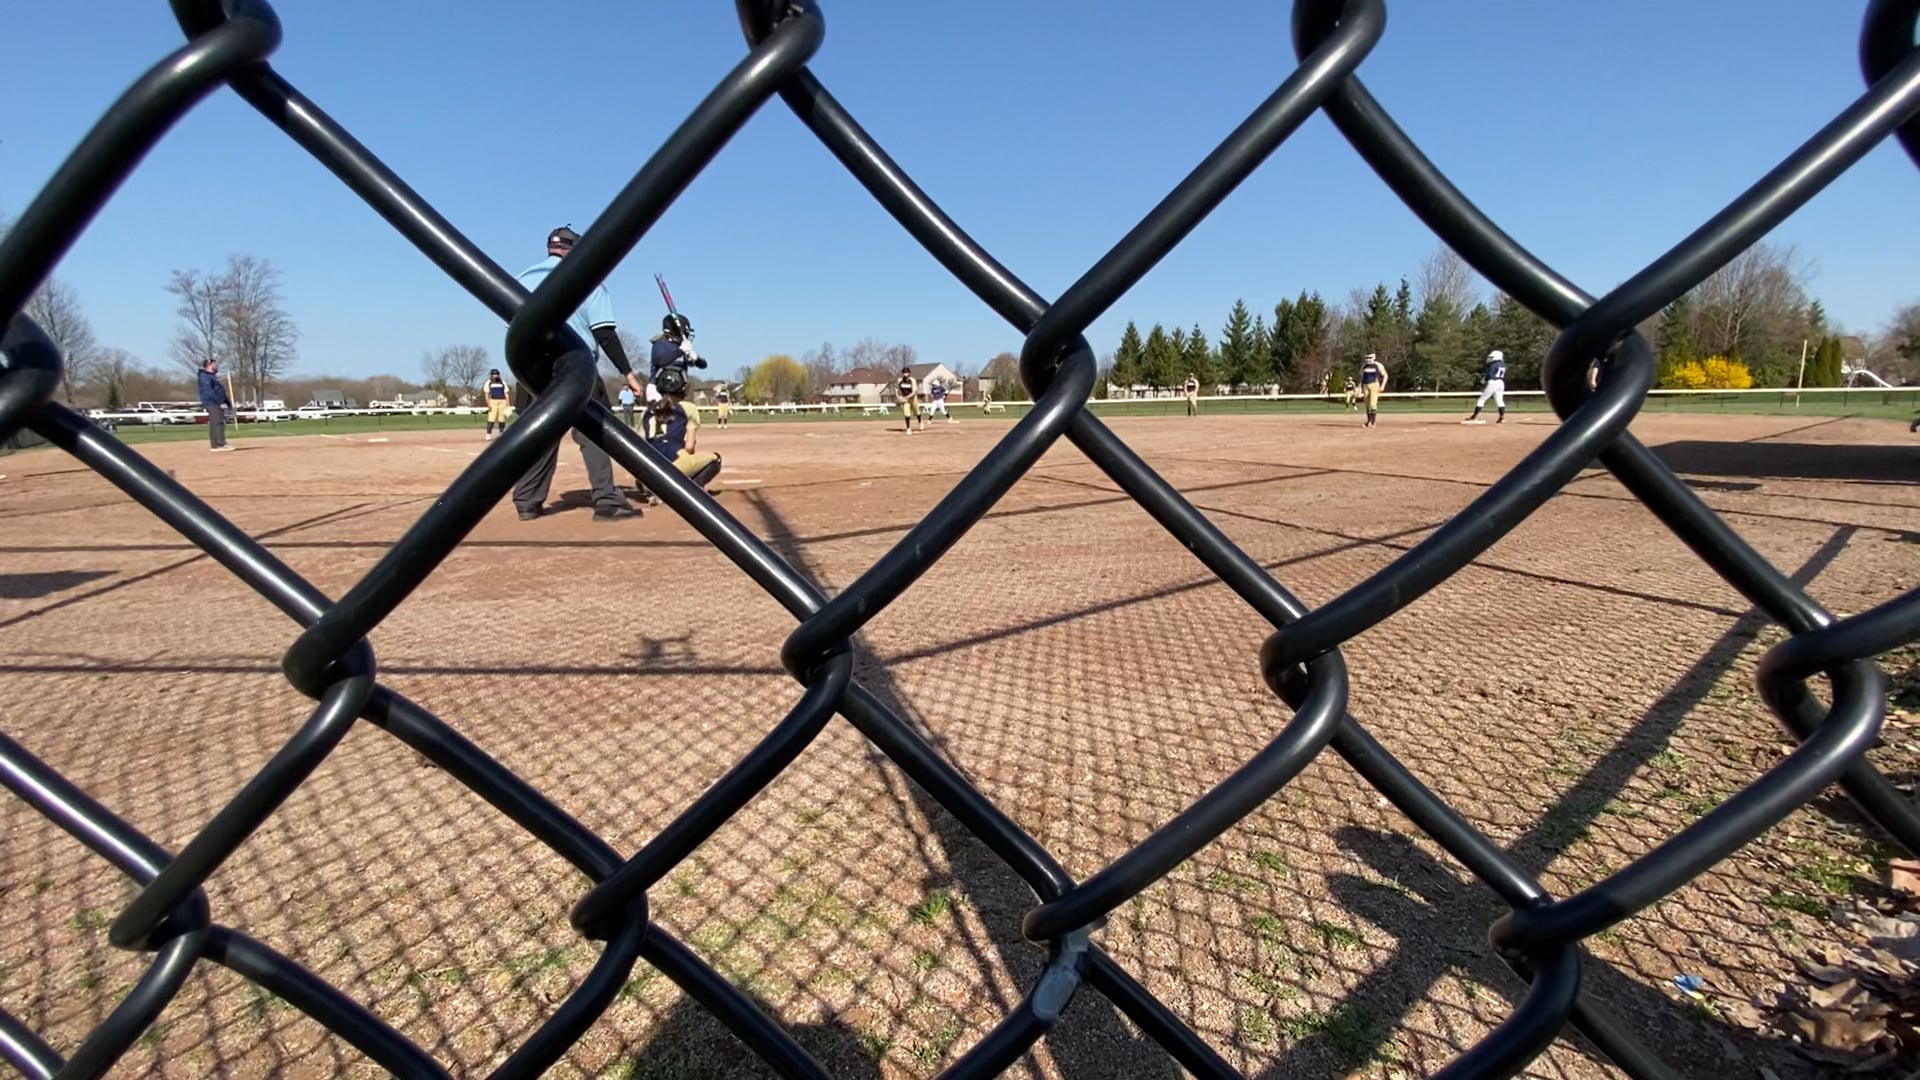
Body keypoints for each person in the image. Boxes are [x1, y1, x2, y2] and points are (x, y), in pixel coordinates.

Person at [509, 225, 644, 523]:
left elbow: (512, 329)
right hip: (575, 365)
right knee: (594, 431)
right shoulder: (586, 280)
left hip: (532, 368)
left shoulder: (523, 279)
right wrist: (628, 374)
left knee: (541, 432)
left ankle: (527, 501)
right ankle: (606, 501)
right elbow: (604, 333)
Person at [642, 366, 722, 493]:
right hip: (673, 466)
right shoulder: (688, 408)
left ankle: (650, 486)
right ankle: (689, 490)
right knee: (716, 458)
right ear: (682, 388)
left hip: (647, 468)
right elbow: (690, 447)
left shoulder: (646, 411)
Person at [650, 311, 706, 404]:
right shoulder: (660, 344)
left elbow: (703, 365)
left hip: (677, 392)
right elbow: (660, 361)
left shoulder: (683, 346)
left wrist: (697, 359)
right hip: (658, 390)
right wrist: (680, 351)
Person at [198, 357, 234, 452]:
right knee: (218, 422)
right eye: (214, 364)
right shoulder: (205, 376)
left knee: (216, 422)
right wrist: (219, 402)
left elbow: (220, 391)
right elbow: (208, 391)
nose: (216, 365)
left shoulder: (213, 376)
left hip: (216, 402)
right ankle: (220, 443)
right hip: (212, 402)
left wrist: (227, 403)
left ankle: (215, 445)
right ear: (209, 365)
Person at [1464, 348, 1507, 425]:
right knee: (1500, 401)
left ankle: (1474, 416)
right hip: (1501, 382)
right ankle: (1502, 417)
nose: (1490, 359)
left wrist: (1484, 379)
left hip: (1493, 382)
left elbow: (1489, 374)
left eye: (1492, 357)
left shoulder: (1493, 365)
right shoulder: (1502, 365)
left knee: (1481, 400)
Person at [1358, 352, 1387, 428]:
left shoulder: (1378, 365)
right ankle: (1369, 421)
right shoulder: (1364, 366)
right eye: (1367, 358)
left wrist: (1382, 386)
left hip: (1374, 385)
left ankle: (1373, 422)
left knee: (1372, 404)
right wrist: (1359, 388)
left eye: (1370, 358)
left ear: (1374, 357)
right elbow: (1361, 378)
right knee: (1367, 404)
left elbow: (1385, 375)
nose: (1368, 359)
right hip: (1365, 385)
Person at [483, 368, 510, 439]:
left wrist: (508, 404)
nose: (495, 375)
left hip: (502, 401)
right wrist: (488, 403)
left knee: (502, 418)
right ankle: (488, 434)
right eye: (494, 374)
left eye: (497, 374)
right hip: (493, 401)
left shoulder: (503, 382)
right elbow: (486, 394)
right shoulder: (489, 383)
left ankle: (501, 432)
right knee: (491, 418)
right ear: (491, 375)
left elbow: (506, 393)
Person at [896, 367, 922, 433]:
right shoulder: (900, 380)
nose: (905, 374)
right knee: (906, 413)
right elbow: (897, 389)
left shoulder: (912, 380)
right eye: (904, 373)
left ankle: (920, 422)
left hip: (913, 398)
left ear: (909, 373)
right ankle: (908, 428)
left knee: (917, 412)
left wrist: (906, 397)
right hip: (905, 400)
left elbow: (914, 392)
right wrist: (898, 397)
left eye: (907, 372)